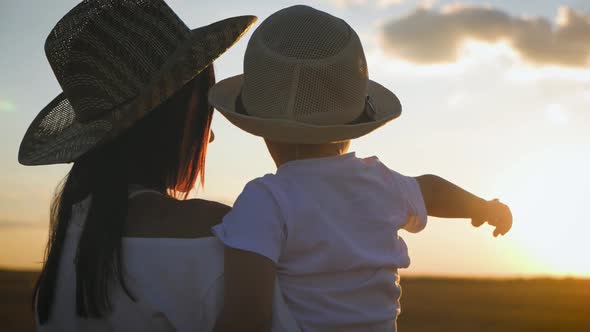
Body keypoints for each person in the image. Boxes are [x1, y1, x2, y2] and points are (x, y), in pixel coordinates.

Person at [209, 5, 513, 332]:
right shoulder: (382, 183)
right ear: (356, 122)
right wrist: (481, 206)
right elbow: (430, 189)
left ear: (262, 128)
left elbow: (247, 316)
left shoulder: (265, 199)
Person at [19, 1, 299, 331]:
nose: (208, 137)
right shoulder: (222, 239)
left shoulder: (68, 243)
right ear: (173, 120)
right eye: (202, 113)